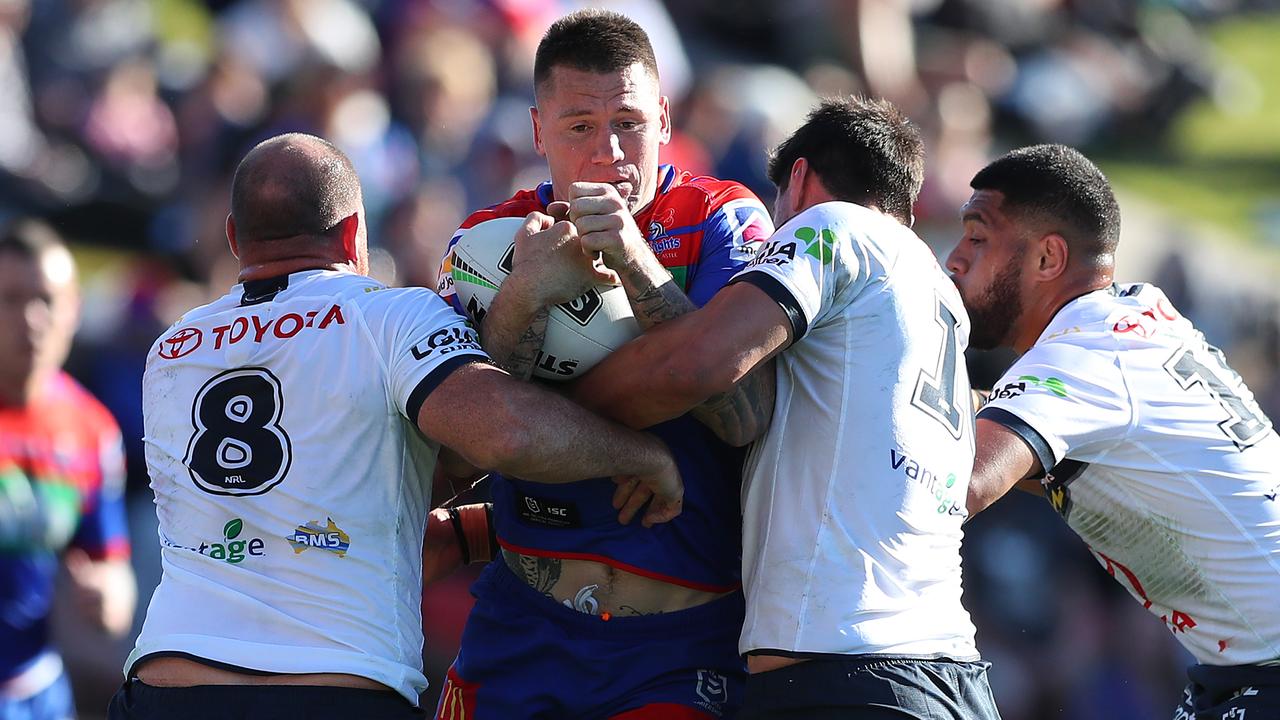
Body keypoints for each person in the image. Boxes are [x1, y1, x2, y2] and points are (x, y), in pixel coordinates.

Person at [111, 132, 683, 720]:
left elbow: (331, 479)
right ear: (355, 232)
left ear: (233, 238)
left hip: (165, 682)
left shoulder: (173, 349)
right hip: (334, 688)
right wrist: (642, 455)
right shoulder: (387, 315)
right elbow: (501, 431)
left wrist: (479, 530)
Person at [572, 96, 1001, 719]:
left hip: (847, 672)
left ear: (797, 180)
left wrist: (549, 408)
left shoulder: (834, 226)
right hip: (947, 671)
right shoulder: (936, 297)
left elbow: (699, 364)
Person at [433, 10, 775, 719]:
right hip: (519, 626)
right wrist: (522, 297)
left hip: (676, 644)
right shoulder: (489, 243)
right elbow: (455, 452)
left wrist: (637, 263)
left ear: (664, 117)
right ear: (538, 132)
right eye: (579, 127)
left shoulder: (721, 216)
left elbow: (747, 417)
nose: (610, 151)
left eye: (629, 121)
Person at [947, 144, 1280, 720]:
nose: (954, 260)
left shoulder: (1081, 356)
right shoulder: (1136, 317)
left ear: (1049, 256)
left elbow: (959, 483)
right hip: (1244, 670)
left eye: (977, 238)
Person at [0, 220, 136, 720]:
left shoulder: (91, 430)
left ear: (74, 310)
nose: (31, 319)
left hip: (37, 693)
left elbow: (113, 573)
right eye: (11, 299)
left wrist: (107, 598)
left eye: (47, 300)